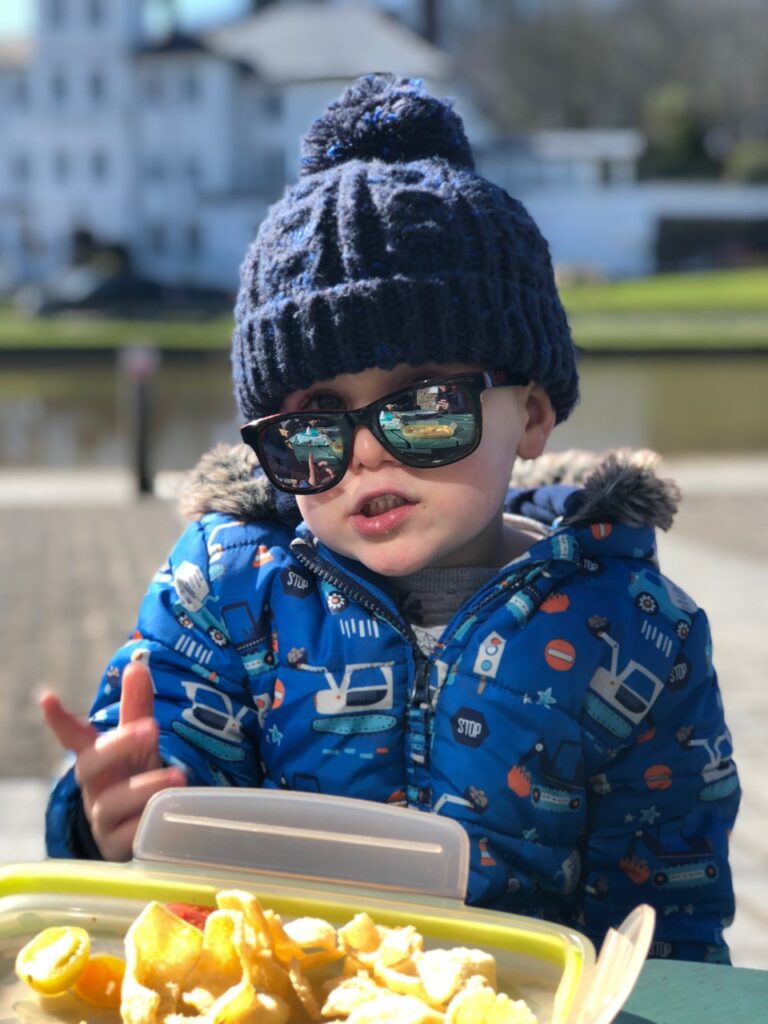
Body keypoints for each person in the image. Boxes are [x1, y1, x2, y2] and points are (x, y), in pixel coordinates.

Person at [42, 74, 739, 963]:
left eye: (423, 407)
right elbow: (158, 858)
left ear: (530, 416)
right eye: (311, 422)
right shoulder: (218, 592)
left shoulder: (636, 632)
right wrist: (104, 821)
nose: (366, 452)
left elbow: (661, 924)